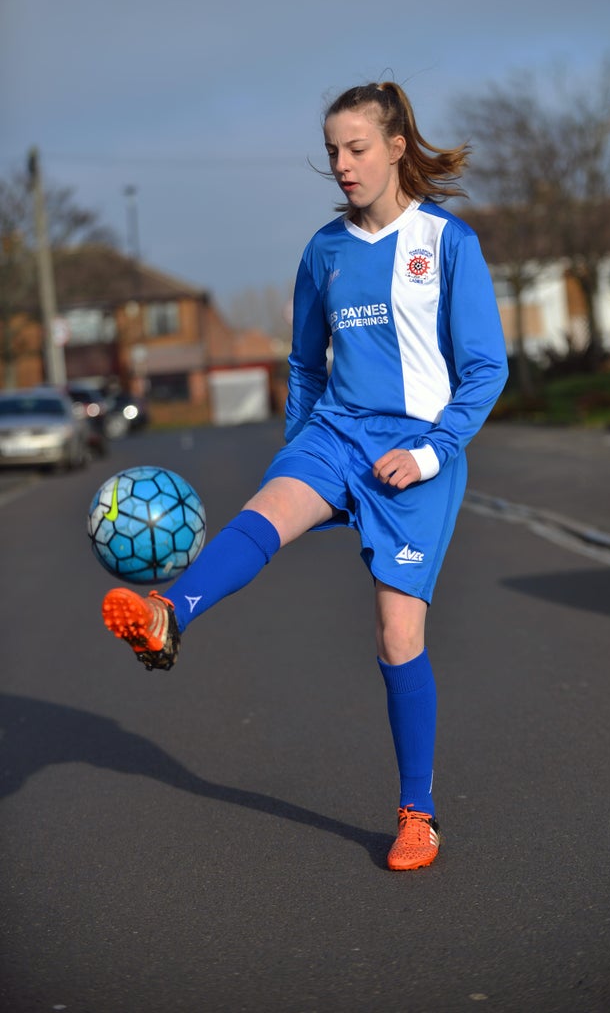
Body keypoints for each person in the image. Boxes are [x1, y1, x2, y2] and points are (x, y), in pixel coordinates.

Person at [102, 81, 508, 871]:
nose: (343, 164)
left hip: (417, 454)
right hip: (336, 433)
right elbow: (303, 361)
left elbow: (485, 368)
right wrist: (299, 453)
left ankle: (417, 813)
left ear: (396, 147)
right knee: (266, 509)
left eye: (356, 148)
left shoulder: (448, 242)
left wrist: (430, 453)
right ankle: (166, 612)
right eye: (332, 151)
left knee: (397, 637)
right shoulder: (323, 250)